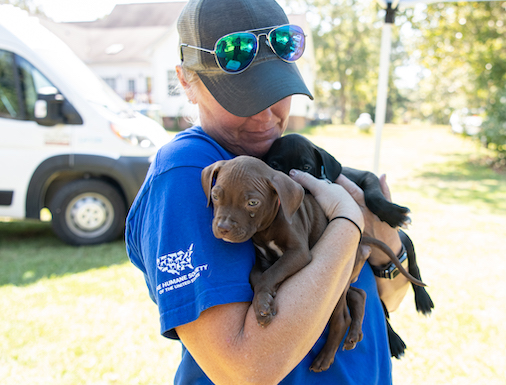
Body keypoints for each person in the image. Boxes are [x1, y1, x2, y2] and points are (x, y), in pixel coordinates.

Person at [125, 0, 410, 383]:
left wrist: (385, 242)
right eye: (241, 98)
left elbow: (388, 299)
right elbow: (244, 370)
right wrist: (347, 223)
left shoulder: (284, 155)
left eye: (275, 91)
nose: (264, 116)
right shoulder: (190, 171)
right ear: (186, 82)